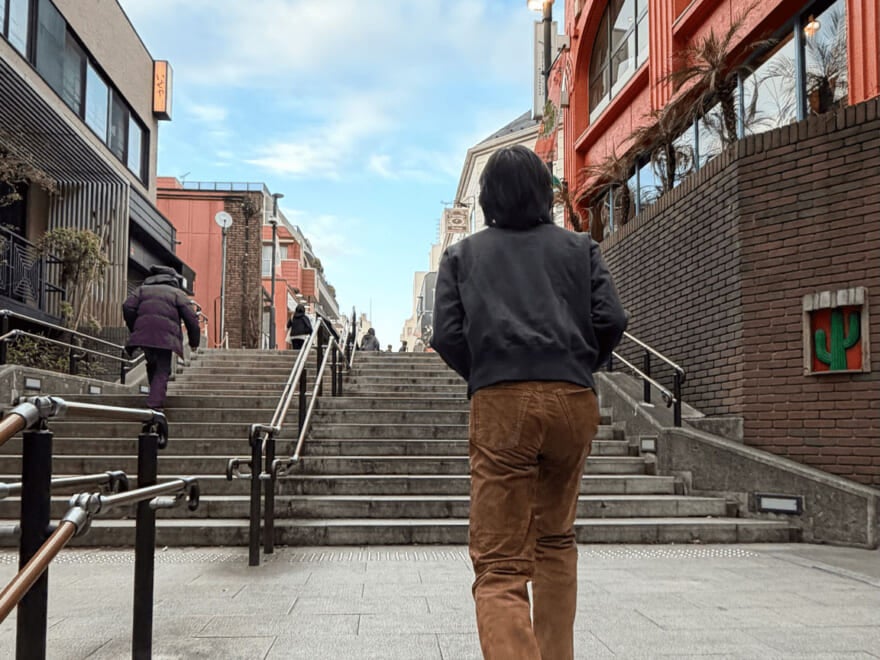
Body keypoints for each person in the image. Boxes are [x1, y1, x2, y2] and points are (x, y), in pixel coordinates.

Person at [431, 145, 627, 660]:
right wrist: (577, 364)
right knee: (556, 539)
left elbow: (446, 333)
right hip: (572, 398)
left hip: (501, 401)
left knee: (499, 564)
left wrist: (488, 372)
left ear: (487, 197)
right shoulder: (580, 248)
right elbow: (613, 321)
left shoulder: (462, 255)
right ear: (545, 193)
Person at [123, 265, 201, 411]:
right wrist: (194, 342)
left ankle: (154, 396)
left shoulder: (141, 291)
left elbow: (127, 306)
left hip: (145, 336)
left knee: (152, 364)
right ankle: (154, 406)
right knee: (162, 369)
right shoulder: (177, 294)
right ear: (172, 279)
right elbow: (191, 318)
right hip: (165, 338)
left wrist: (136, 327)